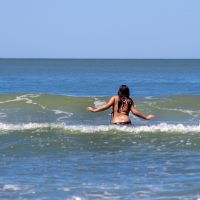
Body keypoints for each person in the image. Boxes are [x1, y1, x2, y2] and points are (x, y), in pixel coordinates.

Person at [87, 85, 155, 125]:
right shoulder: (129, 100)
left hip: (116, 122)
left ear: (119, 91)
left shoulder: (114, 98)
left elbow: (106, 106)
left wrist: (94, 110)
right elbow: (134, 112)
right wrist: (146, 117)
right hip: (127, 122)